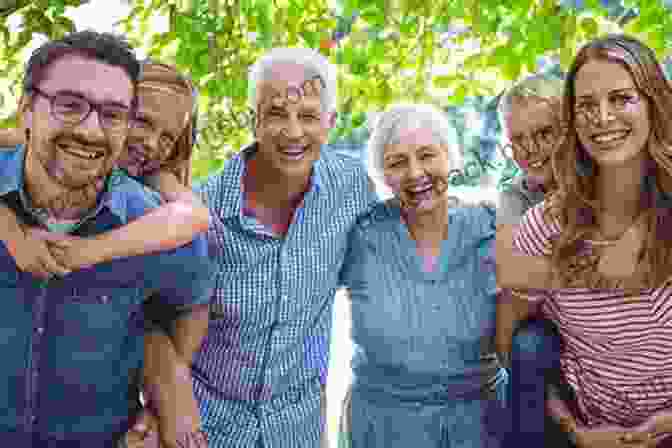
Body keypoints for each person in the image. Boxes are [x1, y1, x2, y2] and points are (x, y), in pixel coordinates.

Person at [134, 47, 378, 448]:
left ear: (331, 122)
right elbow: (151, 323)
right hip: (206, 426)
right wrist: (164, 405)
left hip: (296, 427)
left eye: (309, 116)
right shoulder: (199, 213)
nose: (294, 131)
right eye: (277, 113)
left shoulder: (351, 189)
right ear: (253, 121)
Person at [0, 31, 214, 447]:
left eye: (112, 114)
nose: (90, 129)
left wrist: (167, 390)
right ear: (27, 109)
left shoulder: (155, 214)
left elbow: (194, 295)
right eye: (70, 105)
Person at [499, 34, 672, 447]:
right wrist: (576, 433)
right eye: (587, 105)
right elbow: (509, 343)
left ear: (654, 105)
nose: (603, 117)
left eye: (621, 98)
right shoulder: (543, 225)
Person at [338, 103, 508, 447]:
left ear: (451, 158)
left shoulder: (493, 227)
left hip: (477, 426)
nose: (415, 173)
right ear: (382, 174)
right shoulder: (359, 234)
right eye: (397, 162)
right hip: (382, 427)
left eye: (428, 155)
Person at [494, 72, 567, 446]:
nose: (530, 150)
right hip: (548, 328)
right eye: (517, 141)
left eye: (543, 134)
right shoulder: (517, 195)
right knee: (529, 343)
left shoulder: (608, 179)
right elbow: (513, 275)